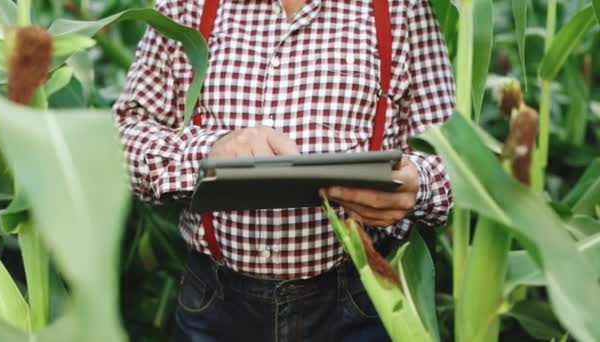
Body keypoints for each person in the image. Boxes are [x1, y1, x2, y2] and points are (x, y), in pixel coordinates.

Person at [113, 0, 454, 341]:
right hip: (215, 303)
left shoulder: (401, 8)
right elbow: (120, 142)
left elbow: (456, 162)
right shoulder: (185, 6)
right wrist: (209, 151)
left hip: (357, 298)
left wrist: (418, 184)